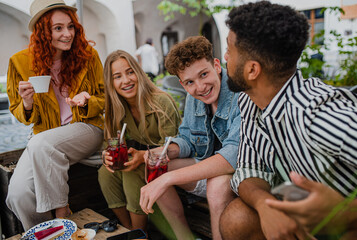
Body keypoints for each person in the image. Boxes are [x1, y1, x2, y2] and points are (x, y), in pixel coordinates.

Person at [220, 1, 357, 240]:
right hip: (312, 218)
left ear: (252, 70)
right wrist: (265, 206)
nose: (224, 58)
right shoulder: (251, 102)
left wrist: (345, 213)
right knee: (237, 217)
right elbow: (248, 170)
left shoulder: (319, 115)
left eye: (229, 51)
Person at [5, 0, 104, 230]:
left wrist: (87, 100)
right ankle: (51, 233)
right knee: (17, 196)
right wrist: (27, 103)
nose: (67, 34)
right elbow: (20, 114)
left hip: (86, 128)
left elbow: (105, 98)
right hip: (45, 139)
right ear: (42, 31)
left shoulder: (88, 56)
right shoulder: (19, 62)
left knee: (40, 143)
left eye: (70, 26)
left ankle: (62, 212)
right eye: (58, 28)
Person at [140, 36, 241, 240]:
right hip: (207, 171)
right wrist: (170, 150)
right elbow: (187, 137)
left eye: (204, 74)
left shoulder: (240, 93)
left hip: (241, 178)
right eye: (190, 82)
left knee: (216, 184)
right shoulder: (193, 98)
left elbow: (233, 155)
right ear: (182, 84)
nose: (200, 87)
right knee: (157, 168)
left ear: (216, 65)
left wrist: (169, 179)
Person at [98, 50, 181, 234]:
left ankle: (139, 234)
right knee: (105, 173)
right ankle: (128, 228)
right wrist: (106, 156)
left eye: (130, 72)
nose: (126, 80)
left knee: (132, 169)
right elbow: (110, 144)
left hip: (169, 164)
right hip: (144, 160)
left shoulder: (161, 102)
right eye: (117, 76)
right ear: (111, 83)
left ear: (138, 73)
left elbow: (175, 147)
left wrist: (143, 156)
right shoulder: (116, 108)